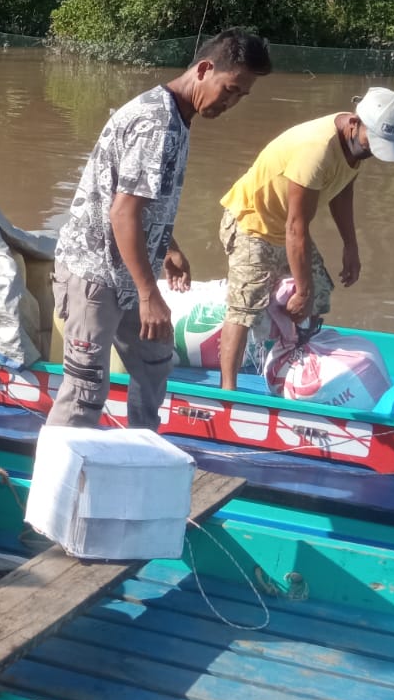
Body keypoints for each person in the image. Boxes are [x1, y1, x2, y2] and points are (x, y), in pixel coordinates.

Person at [47, 28, 273, 429]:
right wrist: (150, 292)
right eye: (231, 89)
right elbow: (122, 213)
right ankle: (59, 485)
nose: (232, 102)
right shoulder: (158, 123)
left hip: (129, 275)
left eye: (242, 96)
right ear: (204, 69)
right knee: (85, 394)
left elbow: (139, 200)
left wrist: (168, 246)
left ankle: (140, 447)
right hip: (95, 276)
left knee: (155, 355)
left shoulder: (178, 117)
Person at [216, 87, 394, 392]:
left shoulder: (356, 147)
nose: (373, 150)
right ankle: (227, 392)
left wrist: (351, 245)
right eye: (371, 142)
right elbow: (297, 227)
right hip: (253, 223)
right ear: (354, 123)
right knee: (245, 307)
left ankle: (295, 365)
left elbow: (342, 190)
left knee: (319, 295)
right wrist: (301, 290)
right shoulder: (317, 150)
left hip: (288, 227)